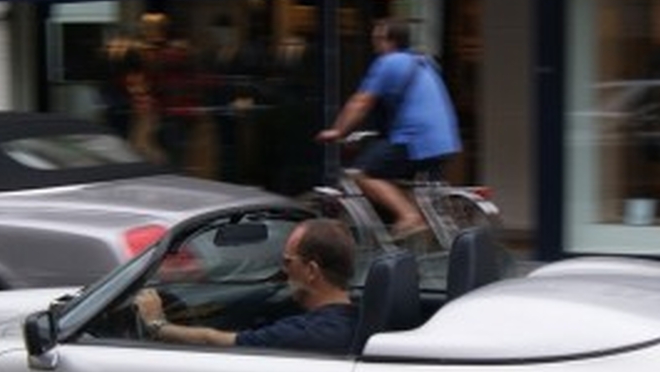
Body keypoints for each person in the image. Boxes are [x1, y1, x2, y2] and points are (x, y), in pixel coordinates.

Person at [319, 20, 461, 241]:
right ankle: (422, 241)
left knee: (362, 174)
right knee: (400, 183)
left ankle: (409, 216)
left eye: (378, 39)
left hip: (416, 139)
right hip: (445, 141)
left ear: (391, 41)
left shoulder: (387, 63)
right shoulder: (424, 62)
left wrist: (338, 131)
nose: (374, 44)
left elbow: (361, 103)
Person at [135, 219, 358, 352]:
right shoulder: (359, 315)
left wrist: (158, 325)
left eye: (288, 262)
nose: (283, 270)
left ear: (311, 271)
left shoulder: (306, 333)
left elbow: (214, 340)